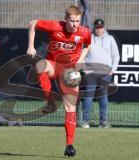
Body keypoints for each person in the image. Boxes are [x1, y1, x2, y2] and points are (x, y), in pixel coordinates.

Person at [26, 6, 91, 157]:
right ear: (66, 19)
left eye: (77, 21)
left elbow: (88, 44)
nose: (75, 24)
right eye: (72, 21)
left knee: (70, 108)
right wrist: (30, 45)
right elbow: (32, 23)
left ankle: (69, 145)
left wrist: (81, 59)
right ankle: (51, 102)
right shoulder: (56, 26)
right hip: (53, 64)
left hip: (70, 71)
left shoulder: (84, 32)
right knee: (39, 65)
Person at [81, 18, 120, 128]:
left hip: (105, 73)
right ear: (94, 27)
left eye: (101, 27)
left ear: (104, 27)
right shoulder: (88, 38)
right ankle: (85, 121)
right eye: (97, 27)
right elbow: (81, 55)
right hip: (91, 73)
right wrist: (84, 70)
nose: (99, 29)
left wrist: (113, 70)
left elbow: (116, 55)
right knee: (88, 97)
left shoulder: (110, 39)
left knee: (103, 97)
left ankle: (103, 122)